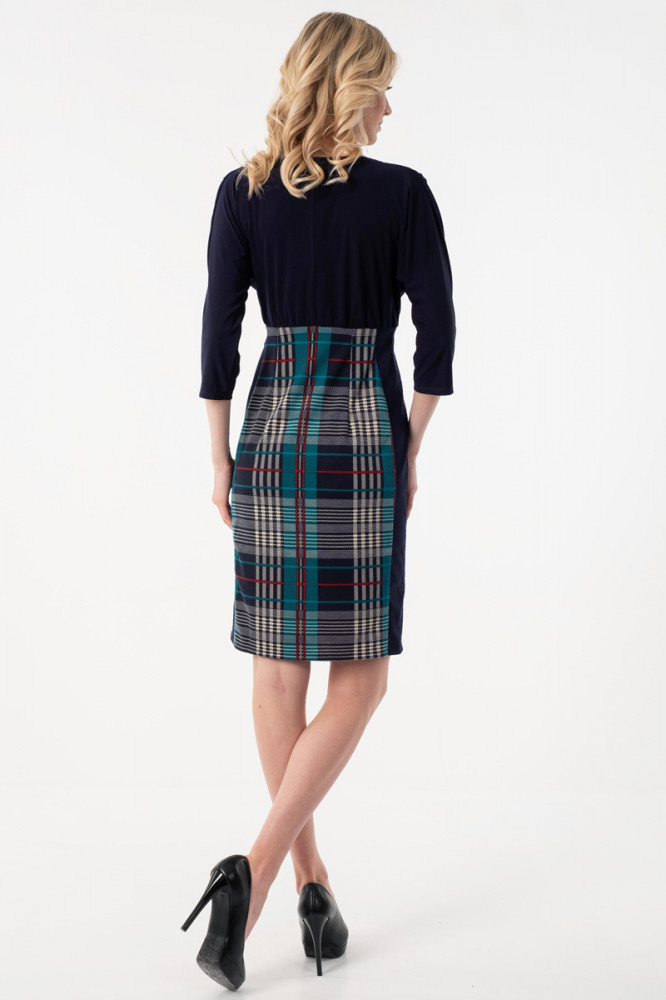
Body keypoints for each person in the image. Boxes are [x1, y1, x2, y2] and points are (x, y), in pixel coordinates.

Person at [181, 11, 457, 991]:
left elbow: (218, 337)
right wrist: (409, 446)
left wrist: (221, 460)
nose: (388, 110)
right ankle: (263, 874)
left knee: (275, 674)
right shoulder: (403, 195)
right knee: (362, 678)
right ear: (348, 91)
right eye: (381, 90)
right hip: (362, 437)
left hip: (269, 437)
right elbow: (438, 338)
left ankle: (307, 882)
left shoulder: (242, 193)